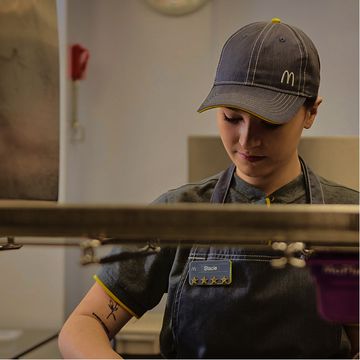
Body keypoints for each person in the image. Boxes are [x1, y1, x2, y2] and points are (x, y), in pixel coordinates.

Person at [58, 18, 359, 358]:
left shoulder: (346, 221)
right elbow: (83, 324)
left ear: (311, 112)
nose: (246, 140)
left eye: (270, 123)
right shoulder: (179, 213)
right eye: (232, 118)